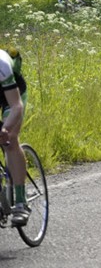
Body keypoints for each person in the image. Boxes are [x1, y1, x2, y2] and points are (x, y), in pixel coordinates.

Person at [0, 47, 30, 227]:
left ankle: (20, 202)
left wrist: (5, 128)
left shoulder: (1, 65)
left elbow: (16, 106)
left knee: (9, 140)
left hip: (12, 96)